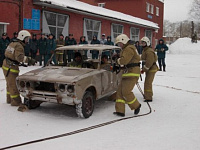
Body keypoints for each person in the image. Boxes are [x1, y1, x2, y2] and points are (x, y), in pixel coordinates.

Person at [2, 30, 36, 112]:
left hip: (6, 64)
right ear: (22, 37)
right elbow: (20, 58)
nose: (27, 41)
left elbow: (8, 53)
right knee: (13, 84)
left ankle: (9, 99)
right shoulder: (19, 46)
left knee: (9, 83)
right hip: (11, 67)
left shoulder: (12, 43)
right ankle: (16, 102)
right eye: (27, 39)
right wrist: (30, 60)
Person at [113, 34, 141, 117]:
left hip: (132, 72)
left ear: (124, 41)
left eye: (120, 43)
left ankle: (136, 106)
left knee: (126, 92)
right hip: (127, 72)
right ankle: (120, 111)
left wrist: (117, 60)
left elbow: (124, 60)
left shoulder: (129, 48)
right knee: (119, 92)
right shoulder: (127, 48)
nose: (119, 45)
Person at [141, 36, 158, 102]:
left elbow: (149, 62)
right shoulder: (145, 50)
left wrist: (144, 69)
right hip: (149, 69)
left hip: (151, 69)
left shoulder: (149, 51)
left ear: (147, 43)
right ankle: (148, 94)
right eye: (142, 43)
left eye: (144, 43)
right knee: (147, 82)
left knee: (148, 83)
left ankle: (148, 97)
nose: (142, 44)